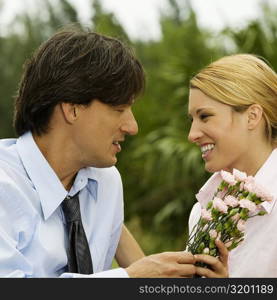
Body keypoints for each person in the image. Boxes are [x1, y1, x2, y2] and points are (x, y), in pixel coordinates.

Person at [0, 27, 199, 278]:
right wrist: (129, 279)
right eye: (119, 109)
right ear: (72, 109)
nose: (132, 127)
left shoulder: (105, 182)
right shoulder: (4, 186)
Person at [187, 53, 277, 277]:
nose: (192, 134)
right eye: (192, 120)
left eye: (205, 116)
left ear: (252, 116)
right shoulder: (201, 212)